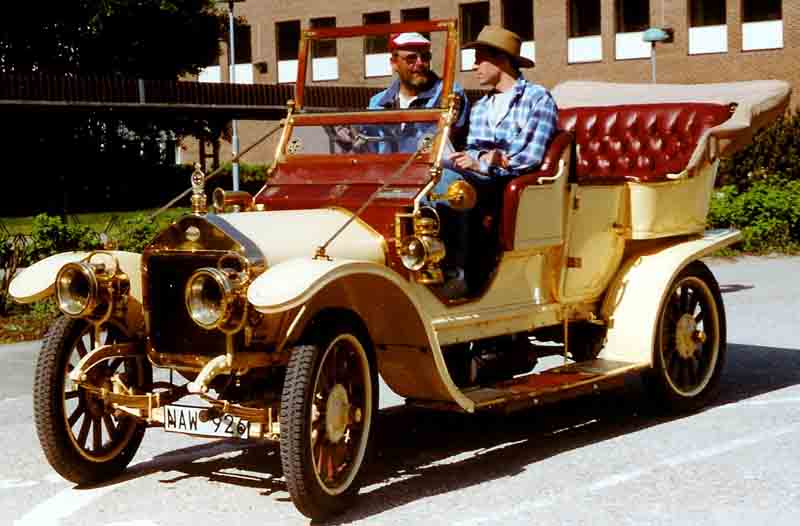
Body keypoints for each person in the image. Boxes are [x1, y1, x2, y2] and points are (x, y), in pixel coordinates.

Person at [438, 25, 558, 298]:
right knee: (429, 178)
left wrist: (485, 162)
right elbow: (473, 150)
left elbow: (529, 157)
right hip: (480, 177)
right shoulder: (480, 107)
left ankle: (454, 272)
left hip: (509, 182)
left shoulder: (537, 99)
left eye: (480, 59)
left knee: (446, 183)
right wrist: (471, 158)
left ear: (501, 60)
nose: (474, 66)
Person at [366, 32, 470, 152]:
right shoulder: (377, 103)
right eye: (411, 58)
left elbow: (455, 144)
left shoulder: (449, 93)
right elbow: (371, 151)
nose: (420, 63)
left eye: (425, 57)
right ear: (394, 63)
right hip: (389, 169)